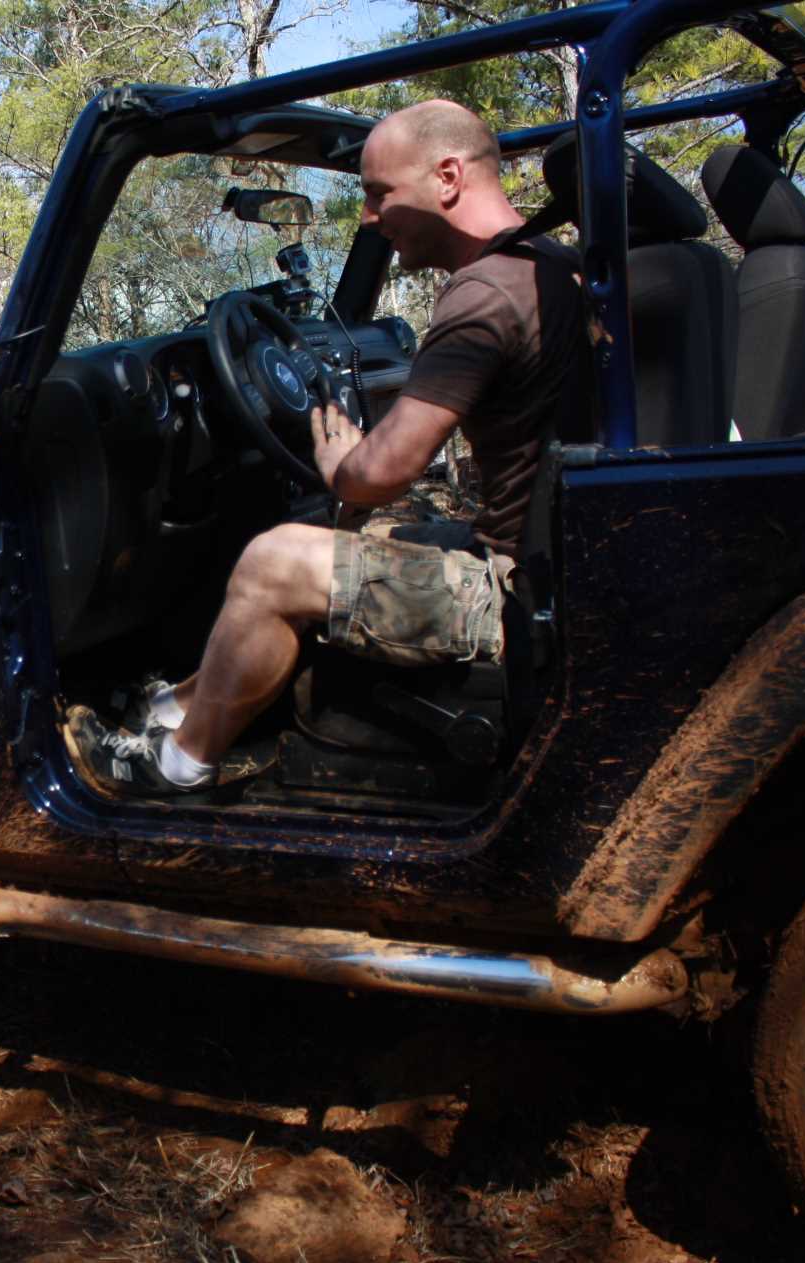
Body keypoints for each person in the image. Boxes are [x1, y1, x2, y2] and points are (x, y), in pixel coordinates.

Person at [65, 98, 589, 796]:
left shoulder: (484, 296)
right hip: (548, 560)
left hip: (513, 592)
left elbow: (384, 472)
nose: (368, 217)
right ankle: (176, 706)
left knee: (274, 560)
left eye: (379, 194)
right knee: (342, 535)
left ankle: (175, 765)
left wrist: (344, 464)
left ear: (448, 178)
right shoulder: (548, 265)